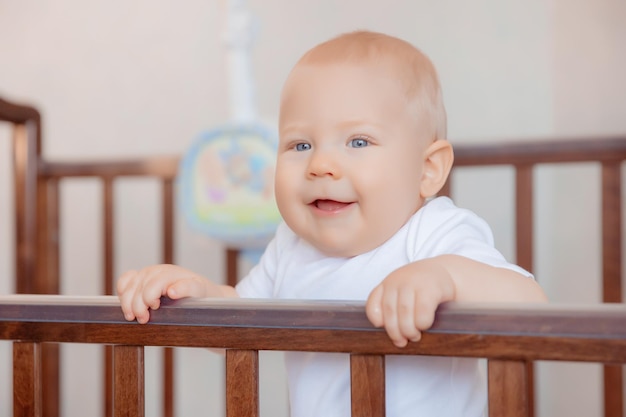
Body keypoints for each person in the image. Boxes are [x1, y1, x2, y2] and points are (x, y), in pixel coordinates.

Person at [117, 30, 547, 417]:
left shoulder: (433, 234)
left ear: (428, 169)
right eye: (300, 144)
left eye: (358, 141)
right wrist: (196, 294)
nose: (321, 164)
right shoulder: (290, 247)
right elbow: (240, 321)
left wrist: (444, 277)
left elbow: (532, 306)